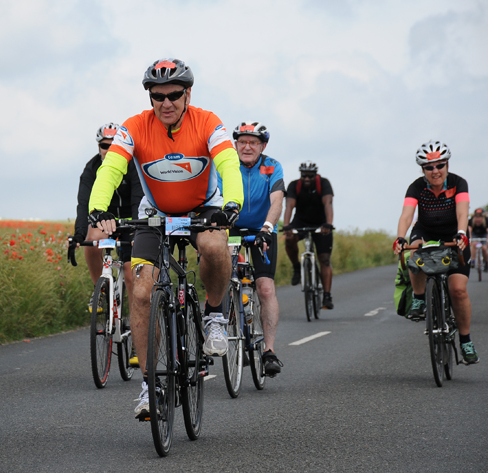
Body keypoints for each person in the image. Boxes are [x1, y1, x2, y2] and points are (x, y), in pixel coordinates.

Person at [87, 58, 243, 417]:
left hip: (203, 208)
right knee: (141, 290)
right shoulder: (134, 127)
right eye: (158, 96)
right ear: (150, 97)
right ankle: (149, 386)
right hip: (155, 213)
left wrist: (232, 204)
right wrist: (99, 209)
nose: (166, 103)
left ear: (188, 93)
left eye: (174, 94)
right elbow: (111, 168)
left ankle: (215, 314)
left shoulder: (208, 121)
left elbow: (228, 164)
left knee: (214, 244)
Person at [393, 140, 479, 365]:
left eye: (440, 165)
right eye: (429, 167)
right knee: (414, 255)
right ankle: (420, 299)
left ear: (447, 164)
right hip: (426, 230)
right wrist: (401, 238)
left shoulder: (459, 183)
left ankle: (466, 341)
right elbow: (407, 215)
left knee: (458, 290)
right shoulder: (416, 186)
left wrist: (461, 233)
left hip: (454, 234)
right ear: (423, 170)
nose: (435, 171)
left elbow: (463, 212)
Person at [217, 121, 284, 377]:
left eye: (253, 142)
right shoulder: (224, 165)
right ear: (235, 144)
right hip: (230, 229)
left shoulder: (272, 166)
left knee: (265, 287)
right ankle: (222, 328)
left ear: (262, 146)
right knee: (222, 278)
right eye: (242, 141)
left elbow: (276, 201)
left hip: (261, 230)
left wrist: (267, 227)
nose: (247, 147)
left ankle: (269, 351)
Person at [70, 123, 143, 313]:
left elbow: (138, 198)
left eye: (114, 145)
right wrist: (78, 235)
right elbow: (84, 205)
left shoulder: (132, 165)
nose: (109, 150)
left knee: (129, 272)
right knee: (91, 238)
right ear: (98, 147)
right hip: (105, 220)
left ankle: (138, 318)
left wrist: (137, 231)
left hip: (130, 221)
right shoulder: (91, 168)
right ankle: (100, 289)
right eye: (104, 146)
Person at [283, 161, 335, 309]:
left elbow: (328, 204)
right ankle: (296, 268)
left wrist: (328, 224)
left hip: (321, 223)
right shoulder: (294, 185)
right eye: (304, 176)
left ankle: (326, 296)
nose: (307, 179)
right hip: (300, 221)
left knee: (324, 259)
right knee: (289, 238)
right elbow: (289, 206)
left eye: (310, 176)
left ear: (315, 175)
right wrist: (286, 226)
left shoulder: (323, 184)